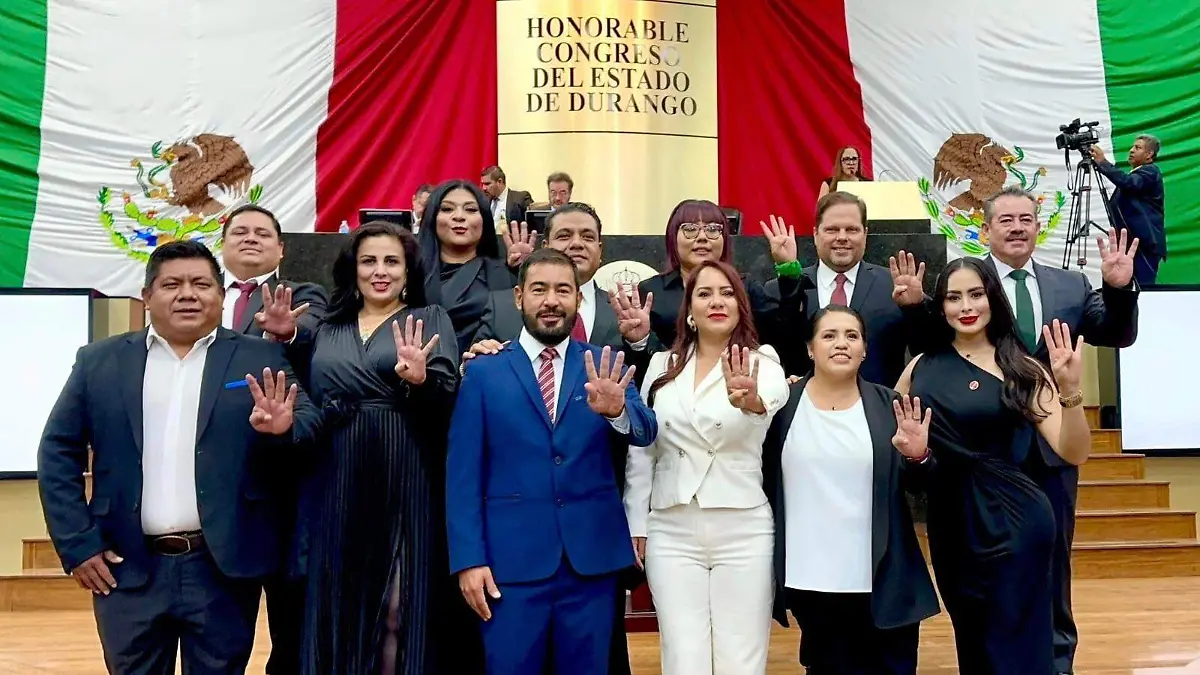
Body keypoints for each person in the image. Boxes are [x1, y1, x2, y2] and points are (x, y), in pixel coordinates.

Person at [37, 240, 321, 675]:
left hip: (222, 568)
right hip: (125, 567)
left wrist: (284, 428)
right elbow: (58, 451)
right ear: (147, 296)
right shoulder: (100, 362)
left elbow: (309, 424)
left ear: (221, 296)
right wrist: (78, 543)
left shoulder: (259, 355)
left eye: (201, 284)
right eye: (171, 284)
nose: (187, 294)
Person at [892, 184, 1139, 674]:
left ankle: (1057, 664)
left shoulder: (1060, 302)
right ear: (985, 228)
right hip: (957, 513)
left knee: (1038, 606)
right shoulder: (924, 364)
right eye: (1006, 219)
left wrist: (1115, 292)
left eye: (1026, 217)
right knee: (977, 634)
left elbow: (1113, 335)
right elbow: (904, 428)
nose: (1017, 226)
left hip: (1030, 492)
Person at [446, 248, 657, 675]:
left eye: (563, 290)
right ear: (518, 296)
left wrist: (617, 410)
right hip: (509, 567)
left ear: (578, 300)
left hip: (591, 564)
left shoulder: (603, 361)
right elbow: (462, 477)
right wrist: (469, 560)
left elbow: (645, 429)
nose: (551, 300)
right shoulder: (484, 372)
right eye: (539, 289)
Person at [266, 222, 463, 675]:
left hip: (406, 472)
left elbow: (448, 401)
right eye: (368, 261)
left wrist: (420, 381)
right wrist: (285, 340)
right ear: (352, 269)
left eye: (391, 261)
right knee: (337, 604)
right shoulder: (326, 326)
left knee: (399, 609)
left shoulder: (430, 318)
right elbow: (303, 394)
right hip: (335, 475)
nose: (380, 271)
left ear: (408, 270)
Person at [896, 257, 1092, 675]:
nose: (966, 306)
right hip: (951, 524)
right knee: (974, 641)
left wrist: (1071, 392)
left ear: (992, 299)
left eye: (976, 294)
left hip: (1018, 522)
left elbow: (1074, 451)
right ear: (941, 306)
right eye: (953, 297)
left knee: (1017, 644)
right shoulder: (919, 368)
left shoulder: (1023, 369)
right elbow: (884, 423)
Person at [624, 259, 790, 675]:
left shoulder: (763, 361)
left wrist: (747, 400)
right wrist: (636, 524)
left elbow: (769, 400)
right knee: (683, 656)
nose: (717, 301)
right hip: (671, 525)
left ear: (740, 306)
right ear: (689, 311)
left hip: (743, 526)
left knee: (740, 657)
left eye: (727, 292)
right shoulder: (662, 366)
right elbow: (644, 449)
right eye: (704, 293)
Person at [761, 306, 940, 675]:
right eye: (829, 336)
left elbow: (923, 488)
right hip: (813, 581)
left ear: (864, 349)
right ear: (810, 349)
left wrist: (919, 457)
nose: (841, 344)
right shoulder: (782, 407)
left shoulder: (890, 405)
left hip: (884, 581)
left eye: (851, 336)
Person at [218, 203, 327, 675]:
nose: (250, 238)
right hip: (216, 481)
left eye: (262, 233)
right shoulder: (200, 297)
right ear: (222, 245)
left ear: (281, 248)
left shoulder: (304, 295)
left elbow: (315, 333)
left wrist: (289, 333)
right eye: (239, 231)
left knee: (292, 624)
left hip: (284, 483)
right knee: (220, 630)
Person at [765, 191, 928, 385]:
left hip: (879, 410)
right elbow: (768, 356)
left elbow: (928, 351)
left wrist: (915, 308)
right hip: (802, 409)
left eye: (851, 229)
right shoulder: (783, 289)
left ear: (865, 234)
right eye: (832, 230)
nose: (842, 237)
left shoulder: (895, 286)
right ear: (816, 234)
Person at [629, 199, 808, 363]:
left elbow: (785, 334)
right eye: (690, 229)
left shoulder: (746, 288)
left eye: (713, 229)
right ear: (672, 237)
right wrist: (640, 341)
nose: (702, 237)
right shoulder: (651, 291)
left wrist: (788, 269)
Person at [417, 179, 516, 354]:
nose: (459, 216)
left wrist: (525, 269)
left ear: (484, 219)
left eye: (470, 210)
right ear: (432, 217)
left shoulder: (504, 277)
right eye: (447, 209)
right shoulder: (409, 275)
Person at [1090, 136, 1166, 285]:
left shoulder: (1150, 171)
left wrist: (1103, 163)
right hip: (1132, 242)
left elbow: (1128, 183)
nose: (1131, 150)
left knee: (1141, 289)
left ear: (1149, 154)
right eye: (1132, 147)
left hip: (1143, 243)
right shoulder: (1139, 173)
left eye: (1137, 148)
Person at [481, 165, 534, 234]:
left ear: (500, 181)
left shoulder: (521, 198)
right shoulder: (484, 202)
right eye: (482, 184)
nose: (484, 188)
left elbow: (533, 227)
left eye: (487, 184)